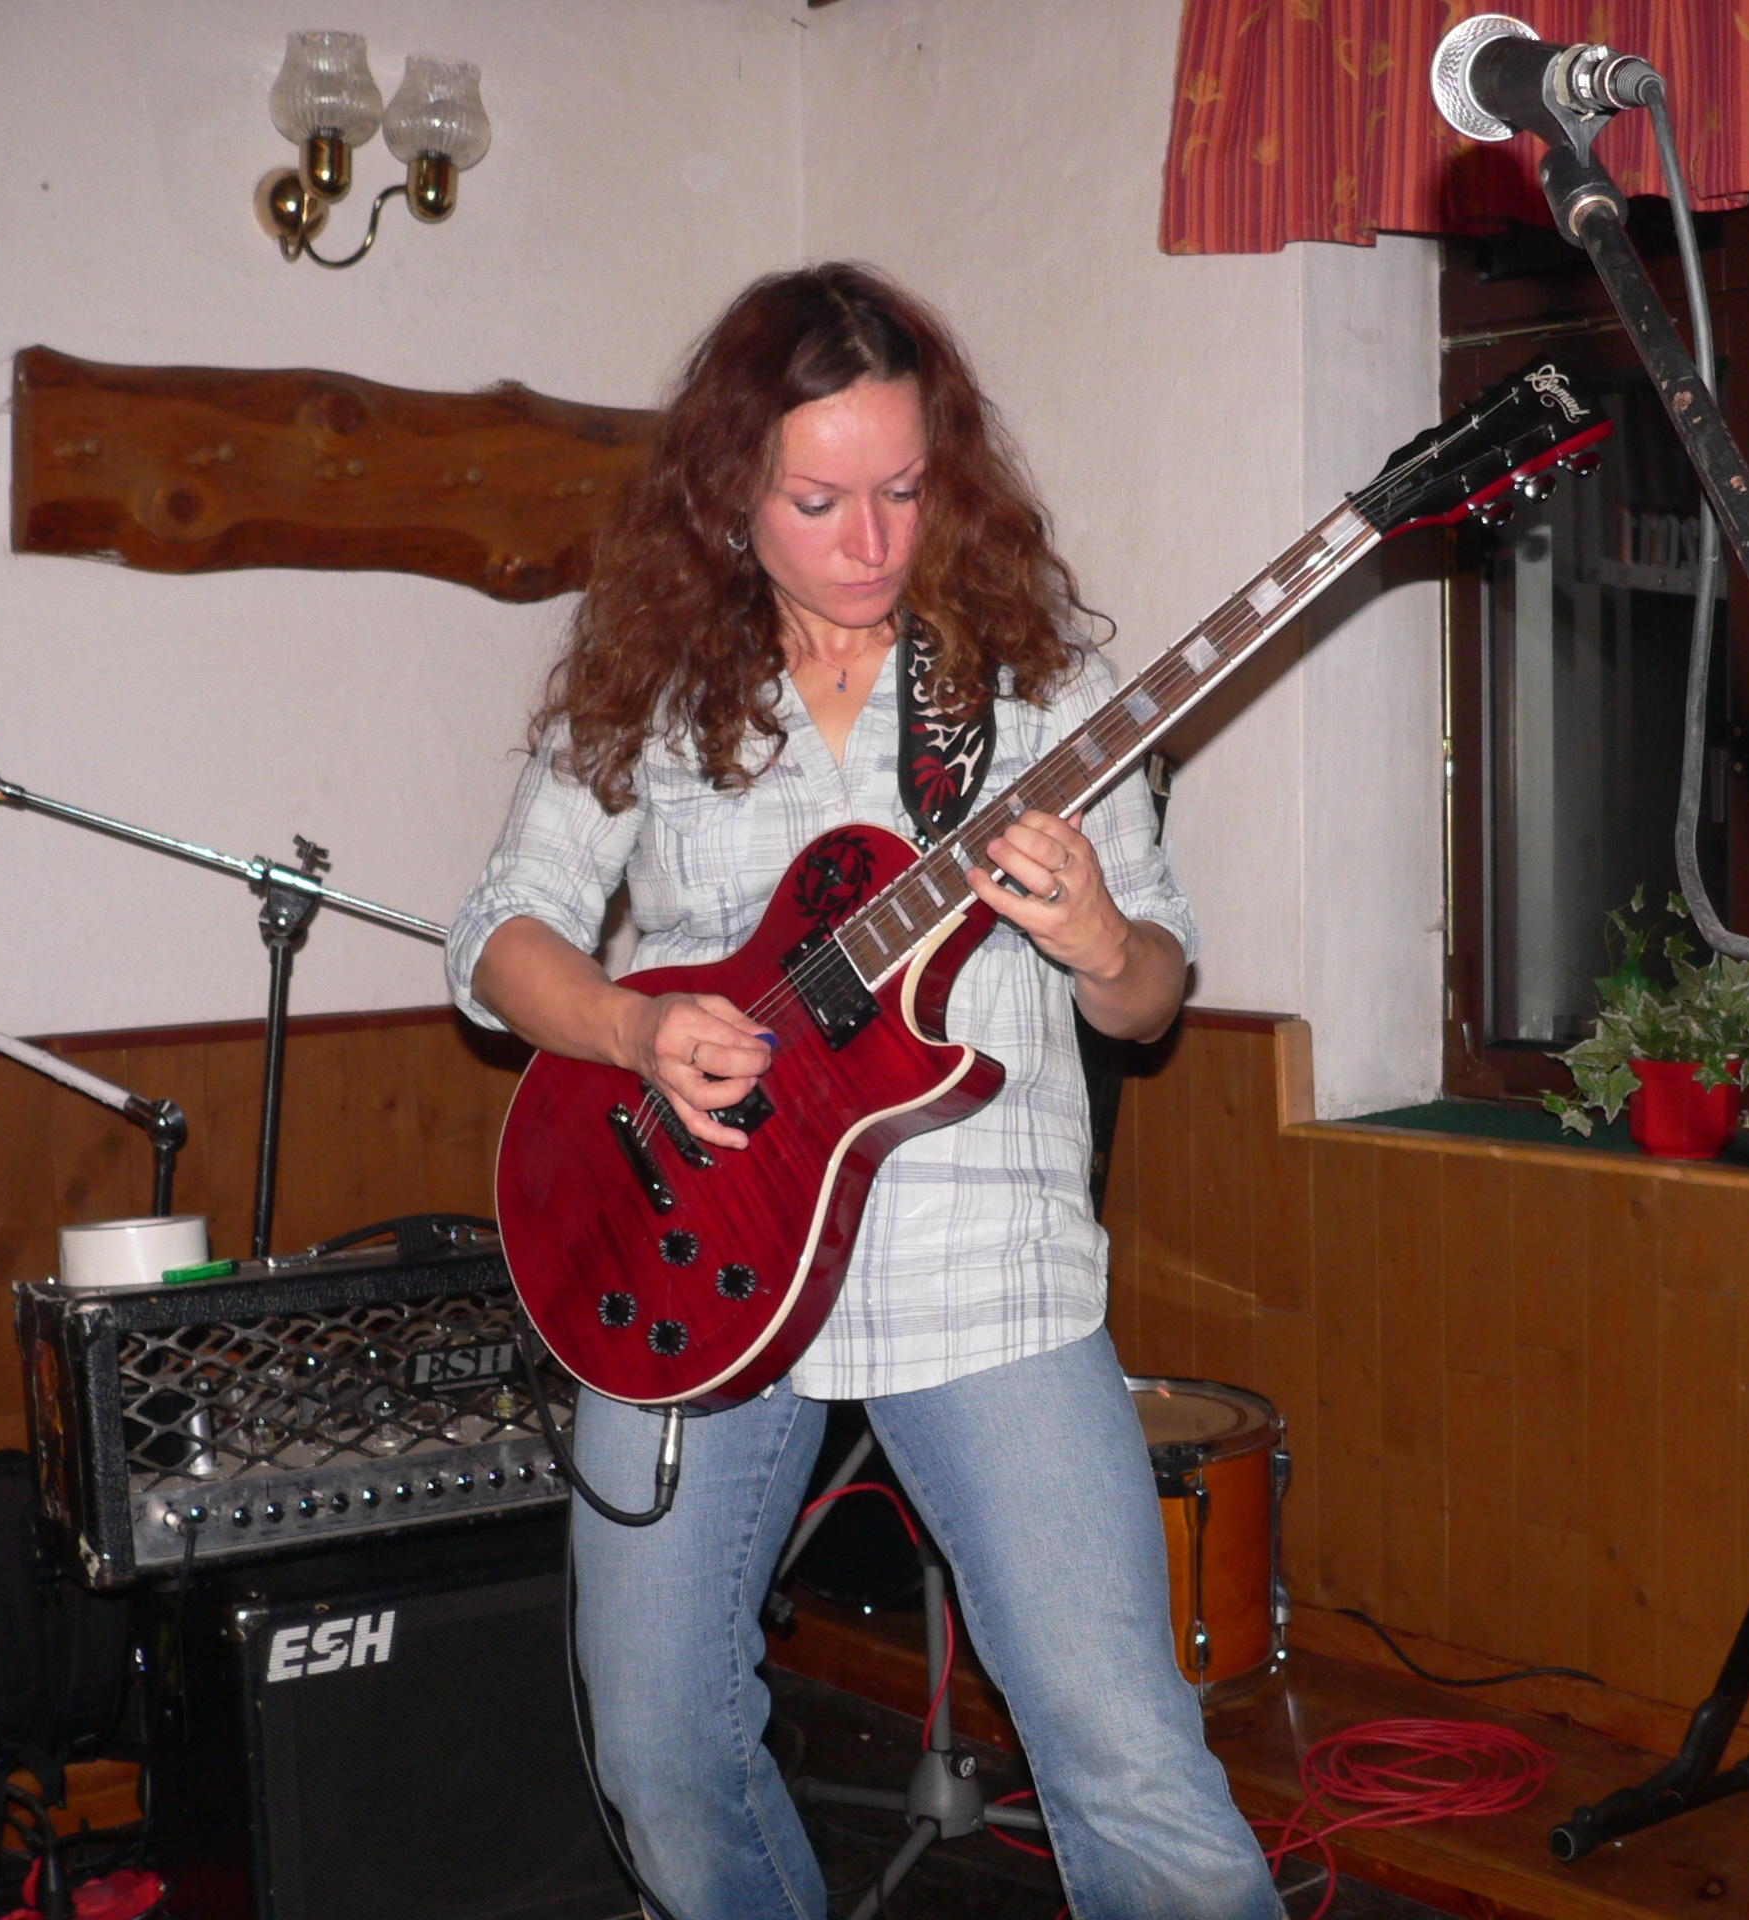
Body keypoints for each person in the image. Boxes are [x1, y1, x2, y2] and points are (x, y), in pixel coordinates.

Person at [445, 263, 1282, 1920]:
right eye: (818, 502)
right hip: (688, 1253)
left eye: (903, 489)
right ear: (725, 496)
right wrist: (628, 1028)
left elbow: (1149, 998)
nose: (872, 541)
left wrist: (1101, 937)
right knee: (661, 1754)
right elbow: (500, 934)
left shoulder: (1036, 685)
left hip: (982, 1263)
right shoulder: (654, 684)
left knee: (1126, 1758)